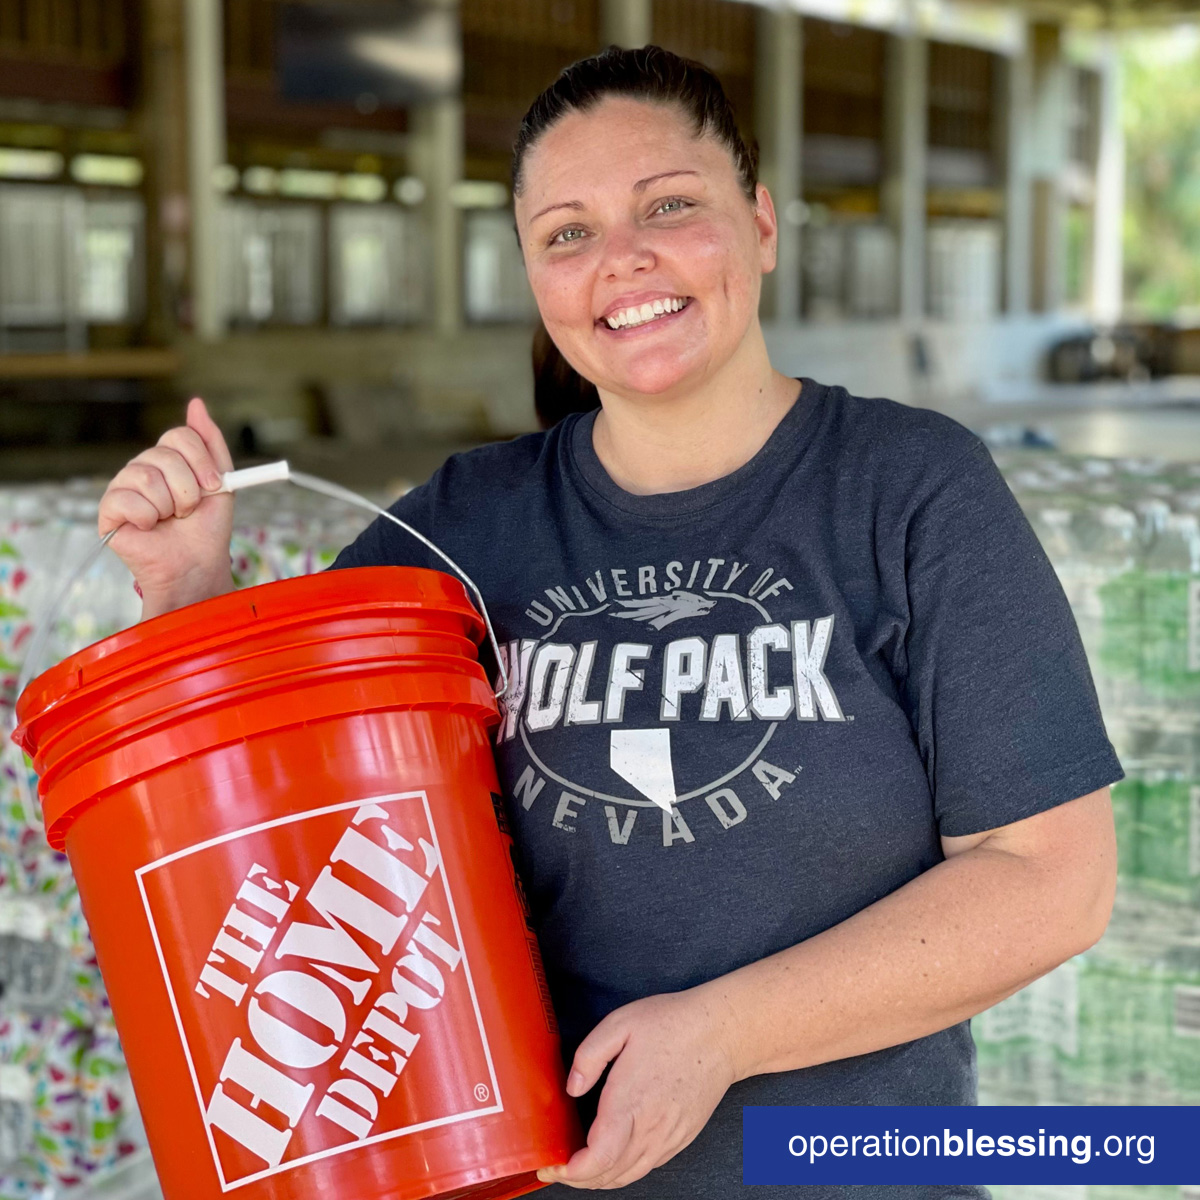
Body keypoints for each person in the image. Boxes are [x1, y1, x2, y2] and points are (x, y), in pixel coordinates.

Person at [98, 46, 1122, 1200]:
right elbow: (276, 805)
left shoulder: (906, 489)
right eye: (567, 232)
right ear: (537, 277)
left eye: (670, 206)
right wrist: (189, 589)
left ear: (763, 223)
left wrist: (723, 1033)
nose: (622, 261)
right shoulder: (464, 524)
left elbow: (1051, 879)